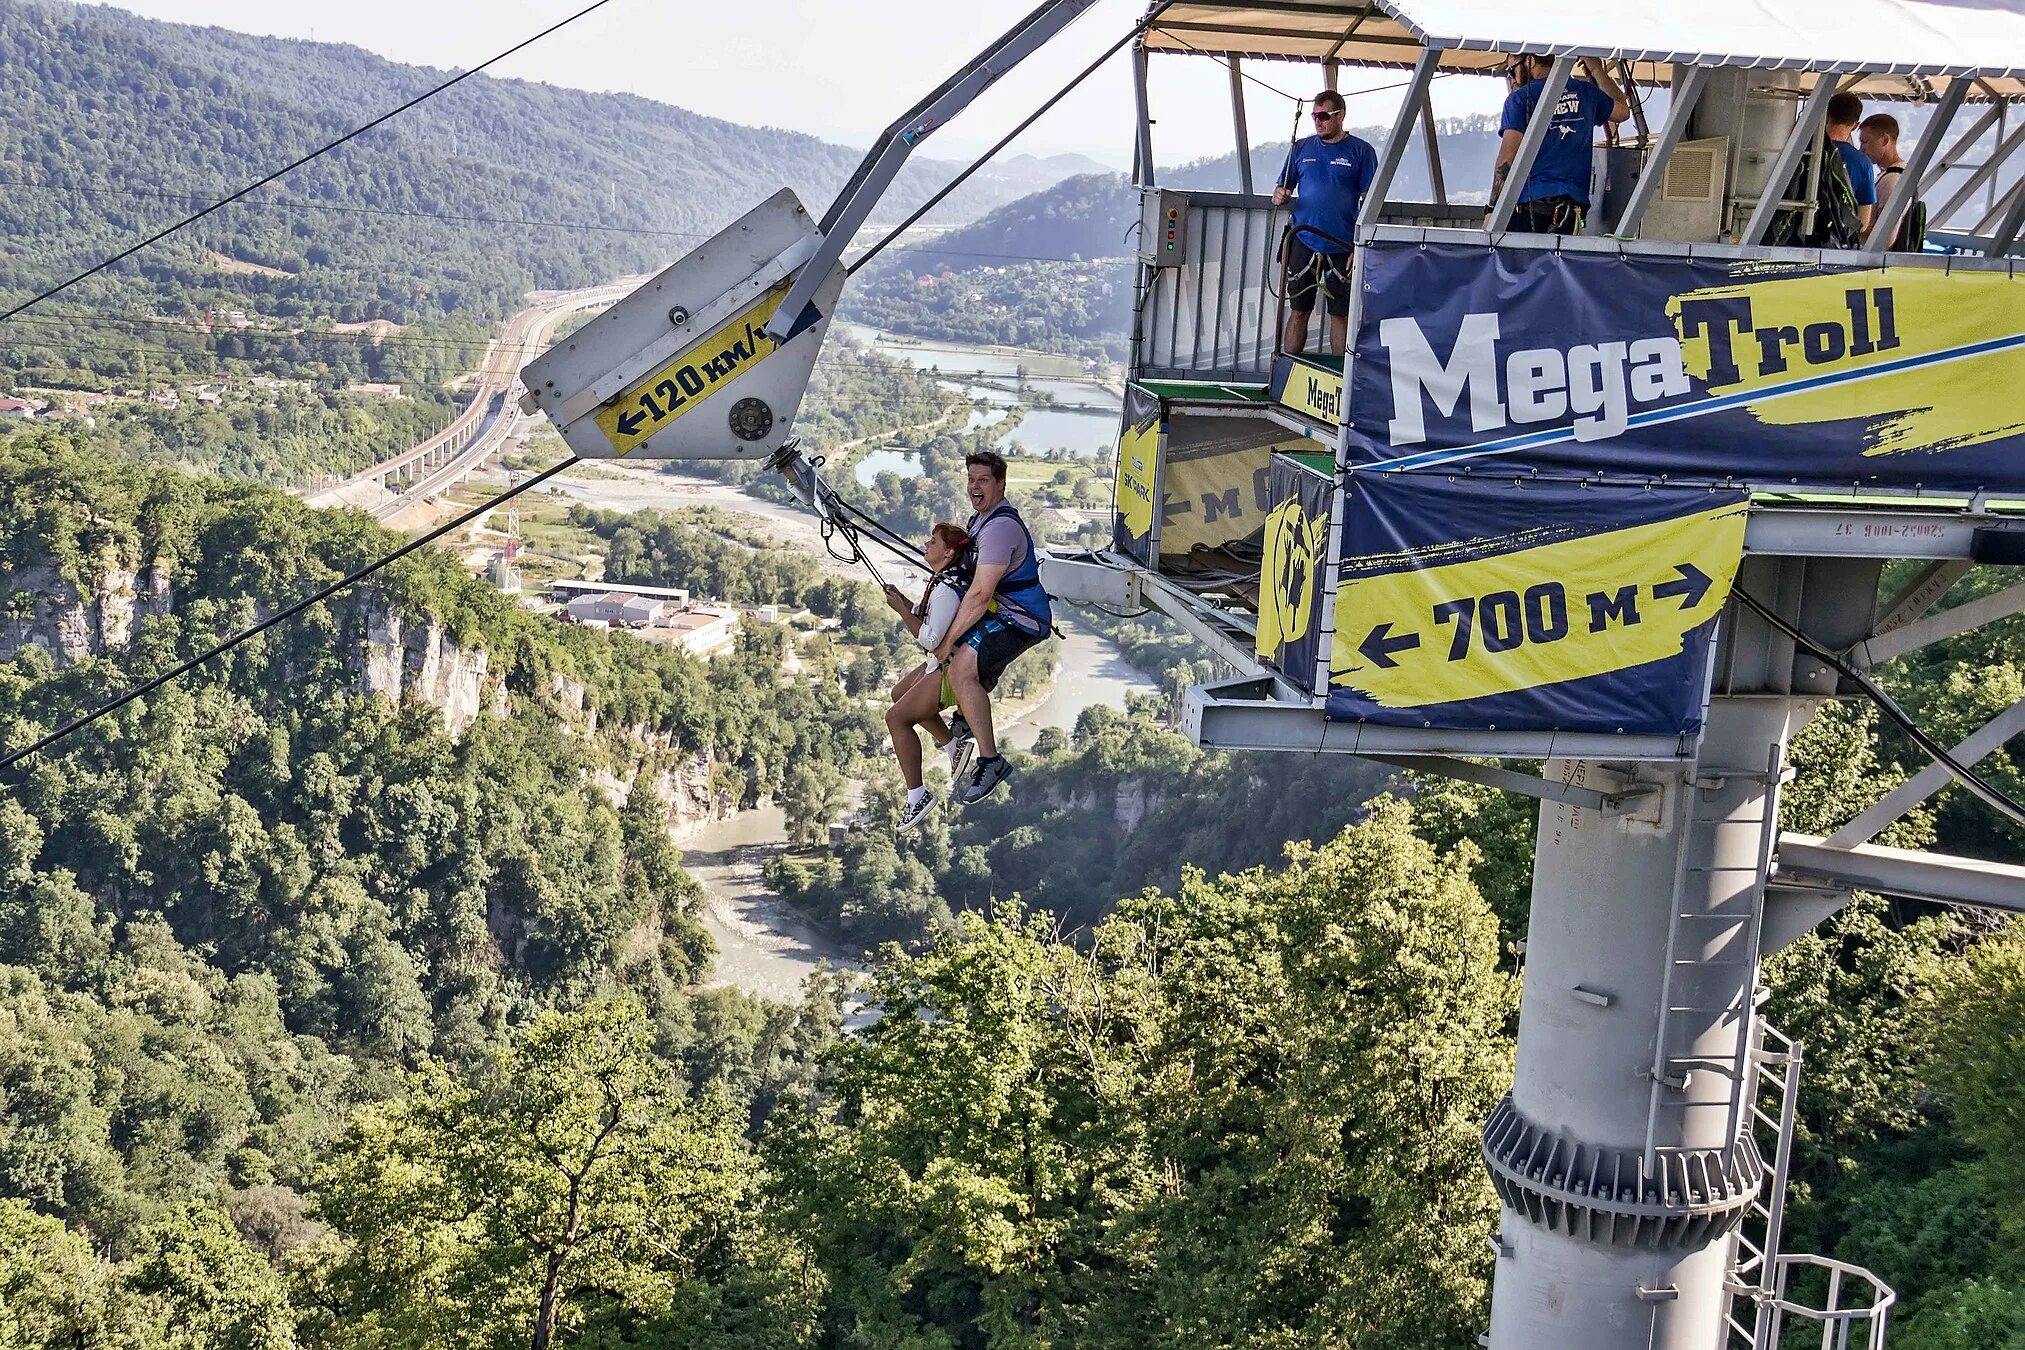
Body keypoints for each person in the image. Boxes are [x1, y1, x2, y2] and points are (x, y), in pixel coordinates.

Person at [933, 451, 1053, 806]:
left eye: (983, 480)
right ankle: (966, 718)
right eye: (971, 480)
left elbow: (981, 593)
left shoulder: (1000, 528)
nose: (974, 487)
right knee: (959, 663)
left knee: (961, 669)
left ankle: (991, 760)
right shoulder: (981, 521)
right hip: (1005, 612)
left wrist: (948, 640)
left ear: (1001, 483)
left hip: (1021, 619)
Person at [882, 522, 974, 832]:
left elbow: (932, 639)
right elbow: (926, 615)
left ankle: (917, 795)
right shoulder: (942, 581)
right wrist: (903, 605)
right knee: (899, 695)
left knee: (896, 718)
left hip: (948, 668)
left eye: (933, 541)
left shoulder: (947, 588)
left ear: (948, 552)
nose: (927, 543)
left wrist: (903, 613)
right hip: (942, 663)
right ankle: (952, 746)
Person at [1272, 89, 1378, 356]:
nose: (1318, 122)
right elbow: (1280, 189)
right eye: (1314, 116)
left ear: (1340, 116)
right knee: (1298, 310)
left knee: (1340, 315)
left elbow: (1370, 203)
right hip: (1303, 238)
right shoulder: (1301, 148)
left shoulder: (1361, 152)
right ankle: (1286, 370)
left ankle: (1341, 379)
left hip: (1341, 244)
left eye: (1324, 116)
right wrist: (1280, 195)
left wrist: (1359, 246)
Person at [1489, 55, 1630, 234]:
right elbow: (1623, 111)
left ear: (1530, 61)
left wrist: (1492, 210)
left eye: (1512, 70)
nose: (1512, 78)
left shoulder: (1520, 99)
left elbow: (1508, 157)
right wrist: (1597, 70)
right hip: (1571, 212)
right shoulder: (1586, 93)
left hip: (1527, 208)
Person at [1860, 112, 1924, 251]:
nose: (1862, 148)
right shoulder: (1898, 175)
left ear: (1884, 140)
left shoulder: (1892, 180)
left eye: (1865, 142)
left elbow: (1885, 238)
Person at [1827, 92, 1877, 238]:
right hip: (1835, 240)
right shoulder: (1862, 163)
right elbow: (1863, 223)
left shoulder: (1804, 151)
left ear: (1827, 116)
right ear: (1856, 126)